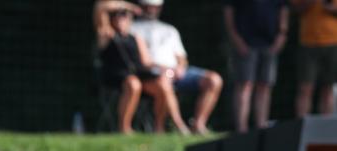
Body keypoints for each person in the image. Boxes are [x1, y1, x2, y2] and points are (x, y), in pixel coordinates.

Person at [93, 1, 190, 134]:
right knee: (133, 84)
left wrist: (167, 69)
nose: (122, 19)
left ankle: (159, 128)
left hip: (138, 75)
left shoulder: (135, 38)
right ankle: (125, 128)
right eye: (119, 16)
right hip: (116, 76)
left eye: (126, 16)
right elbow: (100, 6)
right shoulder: (107, 34)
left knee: (163, 85)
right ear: (112, 19)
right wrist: (130, 7)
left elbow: (146, 62)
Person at [130, 0, 223, 134]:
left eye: (155, 7)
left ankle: (199, 125)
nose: (151, 10)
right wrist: (166, 70)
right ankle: (180, 127)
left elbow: (182, 58)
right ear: (141, 7)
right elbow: (142, 62)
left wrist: (179, 68)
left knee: (214, 80)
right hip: (151, 74)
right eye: (148, 6)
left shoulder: (170, 30)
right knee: (164, 80)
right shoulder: (132, 29)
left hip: (176, 72)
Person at [223, 0, 289, 133]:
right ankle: (242, 129)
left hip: (269, 44)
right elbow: (229, 12)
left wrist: (281, 37)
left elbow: (283, 11)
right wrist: (236, 40)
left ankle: (261, 127)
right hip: (245, 43)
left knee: (265, 86)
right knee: (244, 85)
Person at [291, 0, 337, 117]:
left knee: (328, 87)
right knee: (305, 88)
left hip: (332, 42)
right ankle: (301, 125)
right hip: (308, 42)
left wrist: (330, 7)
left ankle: (326, 127)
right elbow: (294, 9)